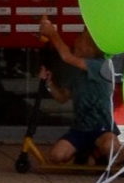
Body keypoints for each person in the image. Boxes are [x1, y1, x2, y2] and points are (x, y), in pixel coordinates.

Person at [36, 14, 117, 167]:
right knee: (56, 156)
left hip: (102, 128)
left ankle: (98, 154)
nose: (76, 44)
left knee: (110, 147)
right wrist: (49, 83)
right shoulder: (75, 71)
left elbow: (66, 56)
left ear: (92, 49)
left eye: (81, 43)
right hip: (80, 128)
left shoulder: (101, 66)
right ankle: (87, 153)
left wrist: (53, 34)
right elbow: (62, 98)